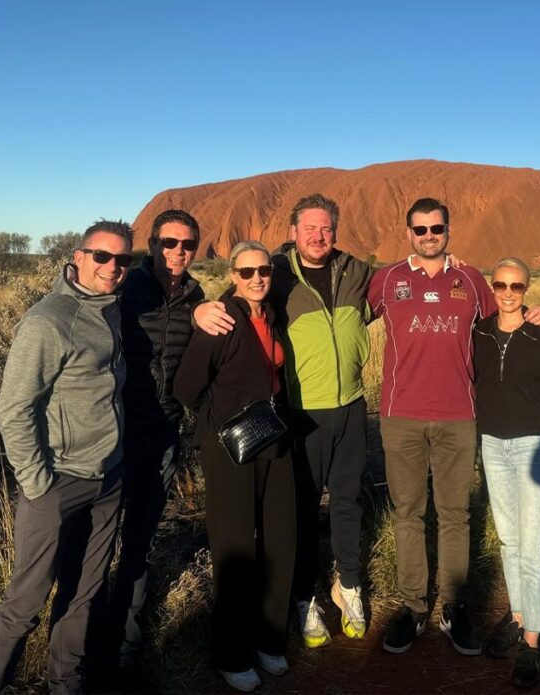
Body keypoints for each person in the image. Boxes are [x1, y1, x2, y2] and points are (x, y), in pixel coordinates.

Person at [367, 199, 540, 657]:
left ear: (449, 230)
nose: (428, 236)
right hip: (401, 413)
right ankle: (413, 608)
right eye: (420, 229)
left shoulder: (469, 279)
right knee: (408, 514)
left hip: (457, 415)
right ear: (408, 232)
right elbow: (348, 317)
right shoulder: (387, 280)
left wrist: (535, 313)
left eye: (437, 228)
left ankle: (454, 606)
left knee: (454, 514)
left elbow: (503, 318)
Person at [195, 193, 373, 649]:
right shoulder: (276, 273)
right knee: (302, 507)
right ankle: (304, 597)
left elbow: (398, 289)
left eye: (326, 228)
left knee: (349, 499)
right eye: (310, 228)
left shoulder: (355, 271)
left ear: (336, 231)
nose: (318, 236)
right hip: (301, 409)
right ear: (293, 232)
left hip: (351, 403)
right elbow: (242, 293)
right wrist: (202, 307)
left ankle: (348, 586)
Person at [0, 220, 134, 695]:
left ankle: (66, 683)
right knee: (25, 602)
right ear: (78, 257)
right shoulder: (49, 320)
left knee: (84, 594)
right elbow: (14, 407)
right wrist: (37, 480)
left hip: (108, 478)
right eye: (102, 257)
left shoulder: (113, 311)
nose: (112, 268)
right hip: (57, 482)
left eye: (123, 260)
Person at [173, 241, 296, 693]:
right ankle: (232, 653)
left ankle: (269, 640)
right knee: (236, 546)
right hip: (230, 448)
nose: (257, 278)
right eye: (247, 272)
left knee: (281, 539)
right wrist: (221, 422)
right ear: (232, 274)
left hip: (274, 441)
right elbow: (187, 387)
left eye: (264, 270)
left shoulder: (272, 314)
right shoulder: (219, 320)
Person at [104, 209, 204, 668]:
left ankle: (123, 644)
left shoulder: (195, 296)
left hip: (162, 433)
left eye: (187, 245)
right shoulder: (123, 287)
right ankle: (80, 647)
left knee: (139, 541)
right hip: (113, 435)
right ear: (152, 243)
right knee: (93, 544)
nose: (178, 252)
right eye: (169, 243)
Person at [473, 257, 540, 688]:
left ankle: (533, 641)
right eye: (501, 285)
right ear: (491, 288)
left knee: (533, 549)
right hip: (493, 444)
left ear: (527, 290)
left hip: (536, 446)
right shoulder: (478, 331)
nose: (509, 292)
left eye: (517, 286)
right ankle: (516, 617)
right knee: (510, 540)